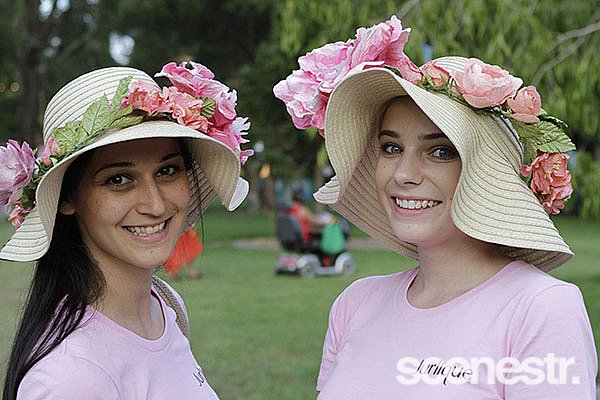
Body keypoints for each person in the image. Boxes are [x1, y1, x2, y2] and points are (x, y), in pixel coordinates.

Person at [274, 16, 597, 399]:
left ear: (485, 175)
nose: (404, 174)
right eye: (391, 148)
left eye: (440, 151)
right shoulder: (355, 304)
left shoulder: (539, 309)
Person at [1, 61, 252, 399]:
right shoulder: (70, 378)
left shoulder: (164, 306)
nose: (156, 205)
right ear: (66, 199)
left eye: (167, 171)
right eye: (118, 179)